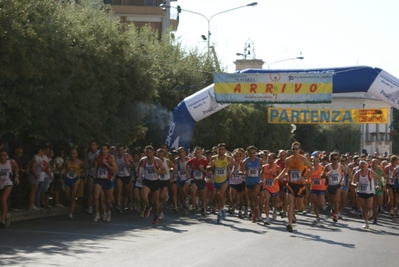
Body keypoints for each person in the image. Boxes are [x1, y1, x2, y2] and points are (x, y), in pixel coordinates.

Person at [276, 141, 313, 232]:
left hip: (300, 185)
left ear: (300, 150)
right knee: (290, 205)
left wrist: (305, 178)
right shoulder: (288, 159)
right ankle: (290, 224)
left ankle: (302, 206)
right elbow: (286, 169)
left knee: (299, 207)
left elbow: (311, 169)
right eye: (293, 149)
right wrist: (278, 177)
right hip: (291, 184)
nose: (295, 150)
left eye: (296, 149)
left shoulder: (303, 159)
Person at [137, 145, 166, 225]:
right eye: (147, 153)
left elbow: (164, 171)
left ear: (153, 152)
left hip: (155, 181)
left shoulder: (157, 161)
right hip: (147, 181)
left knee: (156, 201)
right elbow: (139, 168)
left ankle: (155, 217)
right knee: (143, 196)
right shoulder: (143, 160)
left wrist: (157, 171)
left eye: (150, 153)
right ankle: (148, 206)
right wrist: (139, 177)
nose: (148, 154)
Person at [209, 143, 237, 224]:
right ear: (217, 150)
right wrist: (211, 165)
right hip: (216, 179)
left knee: (221, 194)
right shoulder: (213, 158)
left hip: (225, 180)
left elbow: (235, 165)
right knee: (218, 197)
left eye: (222, 149)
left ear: (225, 150)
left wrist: (231, 172)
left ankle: (222, 210)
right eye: (219, 149)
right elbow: (208, 168)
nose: (220, 151)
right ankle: (220, 213)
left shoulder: (228, 158)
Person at [351, 160, 380, 229]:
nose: (362, 165)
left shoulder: (370, 172)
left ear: (367, 165)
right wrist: (355, 184)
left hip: (369, 192)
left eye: (364, 164)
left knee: (369, 206)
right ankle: (366, 222)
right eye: (361, 164)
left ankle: (370, 210)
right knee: (363, 208)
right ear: (359, 166)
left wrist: (377, 185)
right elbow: (352, 182)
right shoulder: (357, 173)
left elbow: (378, 178)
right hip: (360, 192)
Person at [93, 143, 118, 223]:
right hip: (99, 179)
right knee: (96, 196)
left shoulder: (111, 158)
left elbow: (115, 169)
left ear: (107, 150)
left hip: (107, 180)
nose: (103, 151)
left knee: (108, 200)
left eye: (105, 149)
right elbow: (96, 165)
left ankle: (108, 212)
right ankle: (97, 213)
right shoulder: (98, 156)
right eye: (102, 149)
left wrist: (106, 164)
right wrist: (95, 173)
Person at [241, 145, 264, 223]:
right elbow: (241, 171)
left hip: (257, 182)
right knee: (250, 199)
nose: (252, 154)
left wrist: (262, 174)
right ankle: (254, 214)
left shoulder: (259, 161)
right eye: (250, 153)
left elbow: (264, 169)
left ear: (256, 153)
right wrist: (244, 172)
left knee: (254, 195)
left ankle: (257, 208)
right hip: (248, 182)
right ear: (247, 153)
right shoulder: (245, 161)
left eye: (254, 153)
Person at [61, 149, 84, 219]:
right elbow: (61, 170)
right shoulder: (66, 162)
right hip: (67, 179)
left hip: (75, 180)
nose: (72, 155)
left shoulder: (80, 162)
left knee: (73, 195)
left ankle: (71, 213)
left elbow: (84, 170)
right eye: (71, 154)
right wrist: (61, 178)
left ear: (76, 154)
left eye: (74, 154)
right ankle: (73, 204)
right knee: (67, 195)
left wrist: (82, 177)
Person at [323, 152, 346, 223]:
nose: (335, 160)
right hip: (330, 186)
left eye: (337, 159)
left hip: (337, 185)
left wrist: (343, 180)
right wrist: (326, 174)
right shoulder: (327, 166)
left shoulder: (340, 166)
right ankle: (333, 209)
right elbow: (322, 176)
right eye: (333, 159)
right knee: (332, 202)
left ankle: (335, 215)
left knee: (336, 200)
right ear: (331, 159)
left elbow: (344, 173)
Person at [0, 148, 19, 228]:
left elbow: (16, 166)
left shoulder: (10, 162)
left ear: (7, 155)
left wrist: (16, 176)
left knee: (3, 199)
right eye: (0, 155)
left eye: (4, 155)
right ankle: (6, 214)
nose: (2, 157)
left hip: (7, 183)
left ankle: (2, 219)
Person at [186, 146, 208, 216]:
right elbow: (187, 164)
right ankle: (194, 206)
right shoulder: (192, 160)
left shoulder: (205, 161)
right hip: (194, 180)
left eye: (199, 152)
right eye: (196, 153)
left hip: (202, 180)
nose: (197, 154)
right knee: (193, 192)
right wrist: (187, 173)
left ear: (201, 153)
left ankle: (203, 208)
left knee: (202, 197)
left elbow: (209, 171)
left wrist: (203, 170)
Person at [261, 153, 281, 225]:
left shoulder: (277, 167)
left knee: (275, 203)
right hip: (266, 186)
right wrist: (261, 180)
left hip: (275, 187)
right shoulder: (264, 166)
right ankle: (267, 218)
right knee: (266, 201)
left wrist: (274, 175)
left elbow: (280, 178)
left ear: (274, 159)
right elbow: (262, 175)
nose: (268, 159)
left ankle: (275, 210)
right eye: (268, 158)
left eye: (270, 158)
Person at [115, 145, 134, 213]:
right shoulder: (116, 157)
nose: (120, 152)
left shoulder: (127, 156)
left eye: (121, 150)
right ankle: (118, 205)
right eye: (119, 150)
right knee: (119, 191)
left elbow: (133, 164)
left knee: (127, 192)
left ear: (124, 150)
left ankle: (129, 199)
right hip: (119, 175)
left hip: (126, 175)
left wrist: (128, 165)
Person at [157, 148, 174, 219]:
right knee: (158, 198)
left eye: (161, 155)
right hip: (158, 180)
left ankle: (166, 195)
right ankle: (160, 212)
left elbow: (174, 167)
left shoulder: (167, 161)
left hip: (166, 180)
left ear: (164, 155)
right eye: (159, 155)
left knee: (161, 197)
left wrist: (171, 176)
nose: (160, 157)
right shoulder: (155, 161)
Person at [229, 148, 247, 218]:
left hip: (241, 182)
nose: (236, 158)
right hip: (232, 182)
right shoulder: (231, 163)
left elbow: (246, 171)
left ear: (241, 156)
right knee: (232, 197)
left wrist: (243, 173)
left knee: (240, 198)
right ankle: (233, 207)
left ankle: (240, 210)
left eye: (238, 156)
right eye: (235, 156)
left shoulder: (243, 163)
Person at [308, 155, 326, 225]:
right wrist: (308, 181)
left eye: (317, 161)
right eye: (313, 161)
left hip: (321, 188)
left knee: (320, 204)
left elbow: (325, 176)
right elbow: (308, 178)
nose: (315, 162)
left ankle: (323, 202)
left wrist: (323, 178)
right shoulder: (310, 169)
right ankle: (317, 217)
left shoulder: (322, 168)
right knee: (315, 204)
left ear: (319, 162)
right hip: (313, 188)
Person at [174, 147, 190, 216]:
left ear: (185, 152)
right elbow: (175, 169)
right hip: (180, 177)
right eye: (179, 152)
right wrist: (172, 177)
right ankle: (184, 206)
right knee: (181, 194)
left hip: (187, 178)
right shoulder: (177, 160)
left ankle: (187, 199)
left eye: (182, 152)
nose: (181, 153)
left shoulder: (188, 159)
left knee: (184, 189)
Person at [28, 146, 44, 211]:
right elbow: (33, 167)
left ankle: (33, 204)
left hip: (37, 175)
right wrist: (35, 174)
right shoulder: (36, 158)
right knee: (33, 191)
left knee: (35, 191)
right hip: (34, 176)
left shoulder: (39, 158)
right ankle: (31, 205)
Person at [86, 141, 99, 215]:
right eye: (91, 145)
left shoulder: (99, 153)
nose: (92, 146)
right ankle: (90, 206)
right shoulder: (89, 154)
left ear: (96, 146)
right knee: (89, 190)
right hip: (91, 173)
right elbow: (88, 163)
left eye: (94, 145)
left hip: (98, 174)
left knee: (97, 192)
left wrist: (94, 161)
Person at [372, 158, 384, 224]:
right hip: (372, 189)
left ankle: (379, 206)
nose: (374, 164)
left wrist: (384, 185)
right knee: (373, 205)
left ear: (377, 164)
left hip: (379, 189)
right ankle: (375, 218)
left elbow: (385, 177)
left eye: (375, 163)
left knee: (380, 202)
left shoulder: (380, 170)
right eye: (373, 163)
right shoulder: (370, 171)